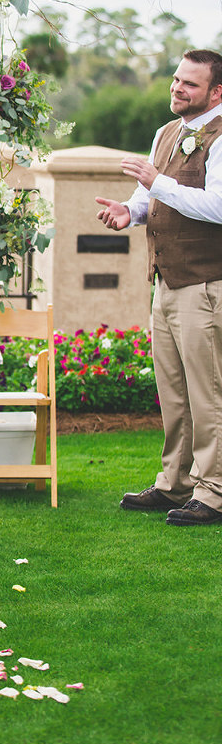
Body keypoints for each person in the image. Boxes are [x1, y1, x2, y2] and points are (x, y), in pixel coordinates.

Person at [96, 49, 222, 526]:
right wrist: (130, 212)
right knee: (173, 392)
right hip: (165, 281)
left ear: (216, 92)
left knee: (208, 393)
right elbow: (146, 195)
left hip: (206, 283)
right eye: (176, 79)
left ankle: (214, 492)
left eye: (190, 83)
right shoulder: (166, 132)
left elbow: (218, 206)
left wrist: (158, 182)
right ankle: (176, 483)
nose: (177, 88)